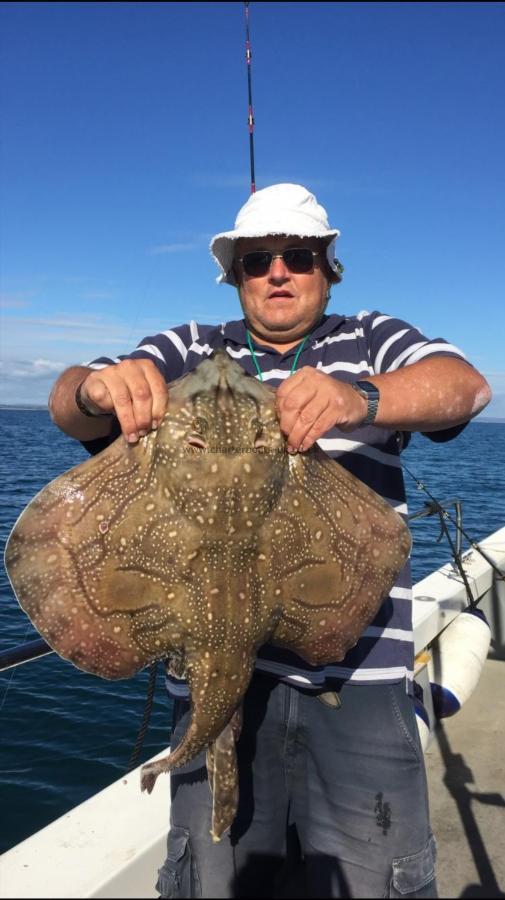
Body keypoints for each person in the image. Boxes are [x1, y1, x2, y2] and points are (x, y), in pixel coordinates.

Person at [49, 184, 491, 899]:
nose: (278, 272)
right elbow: (69, 402)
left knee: (374, 878)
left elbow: (464, 387)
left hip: (360, 679)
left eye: (297, 256)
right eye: (258, 261)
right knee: (216, 872)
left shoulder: (373, 337)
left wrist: (362, 398)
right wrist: (96, 391)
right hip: (205, 666)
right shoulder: (191, 345)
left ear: (327, 267)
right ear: (236, 276)